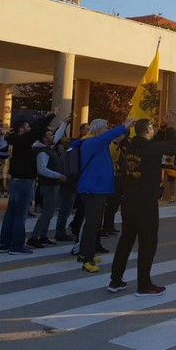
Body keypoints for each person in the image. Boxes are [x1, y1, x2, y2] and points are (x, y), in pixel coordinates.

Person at [108, 116, 176, 296]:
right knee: (147, 244)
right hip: (146, 203)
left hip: (128, 201)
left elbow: (154, 143)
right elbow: (173, 144)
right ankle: (144, 285)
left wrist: (162, 127)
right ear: (147, 130)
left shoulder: (132, 146)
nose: (154, 131)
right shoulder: (150, 149)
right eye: (152, 128)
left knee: (125, 241)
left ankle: (115, 280)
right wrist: (170, 126)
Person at [75, 117, 134, 273]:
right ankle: (87, 259)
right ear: (99, 130)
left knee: (93, 224)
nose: (108, 130)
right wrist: (124, 126)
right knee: (92, 225)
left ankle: (85, 253)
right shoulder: (91, 141)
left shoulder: (98, 144)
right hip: (93, 190)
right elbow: (108, 136)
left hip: (99, 189)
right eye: (106, 128)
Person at [0, 112, 56, 255]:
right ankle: (16, 246)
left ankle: (5, 243)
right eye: (27, 127)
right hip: (24, 181)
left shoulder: (14, 141)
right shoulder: (23, 141)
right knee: (20, 215)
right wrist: (50, 116)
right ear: (21, 129)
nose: (29, 129)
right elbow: (36, 129)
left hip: (15, 181)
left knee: (11, 213)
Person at [26, 121, 69, 248]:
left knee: (49, 213)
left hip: (53, 185)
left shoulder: (47, 148)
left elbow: (58, 135)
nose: (53, 137)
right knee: (47, 213)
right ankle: (34, 237)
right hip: (48, 185)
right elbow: (42, 169)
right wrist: (58, 175)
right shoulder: (42, 152)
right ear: (44, 139)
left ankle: (43, 236)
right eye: (50, 135)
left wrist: (65, 124)